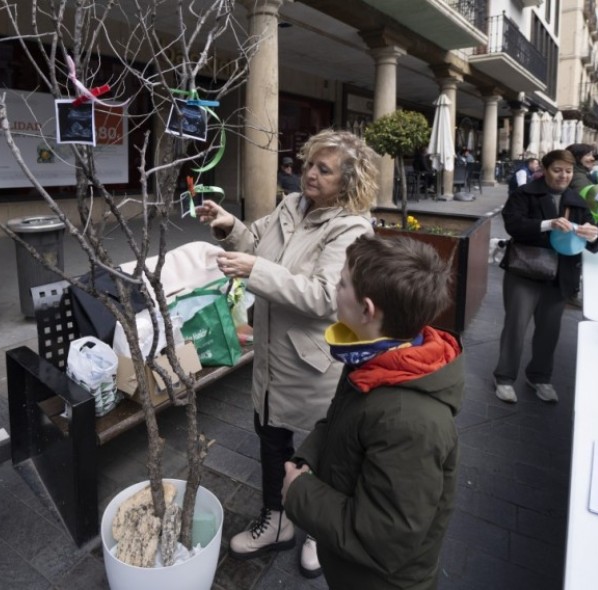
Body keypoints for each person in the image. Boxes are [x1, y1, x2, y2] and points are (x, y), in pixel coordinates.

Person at [197, 129, 378, 577]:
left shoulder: (352, 228)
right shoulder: (290, 206)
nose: (309, 174)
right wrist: (230, 227)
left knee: (320, 451)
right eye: (308, 164)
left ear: (348, 182)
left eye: (323, 169)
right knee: (271, 440)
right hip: (271, 356)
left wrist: (256, 270)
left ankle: (318, 530)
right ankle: (275, 522)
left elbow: (324, 296)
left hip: (312, 364)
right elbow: (254, 244)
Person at [282, 234, 463, 589]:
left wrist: (299, 494)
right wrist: (309, 460)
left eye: (342, 283)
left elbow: (385, 538)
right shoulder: (377, 359)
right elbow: (340, 422)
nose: (334, 288)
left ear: (367, 310)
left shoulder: (410, 422)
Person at [494, 149, 598, 404]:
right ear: (545, 170)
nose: (563, 176)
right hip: (525, 270)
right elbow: (513, 224)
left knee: (549, 330)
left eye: (568, 171)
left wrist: (593, 235)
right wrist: (548, 224)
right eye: (557, 170)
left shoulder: (577, 200)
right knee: (516, 326)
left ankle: (540, 377)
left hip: (560, 274)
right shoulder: (525, 194)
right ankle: (504, 377)